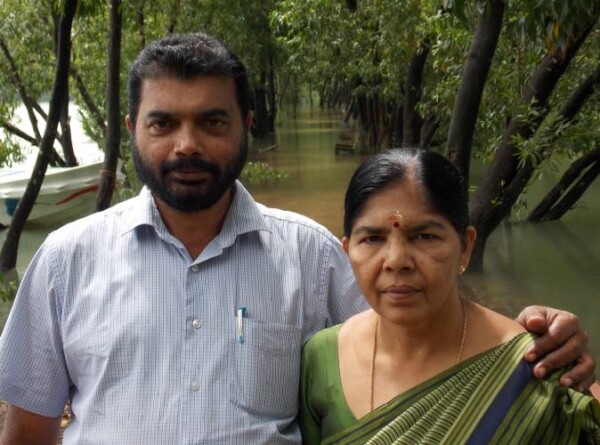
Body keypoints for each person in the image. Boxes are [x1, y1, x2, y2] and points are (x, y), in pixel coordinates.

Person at [0, 33, 594, 444]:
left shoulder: (311, 256)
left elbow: (418, 344)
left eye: (212, 121)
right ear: (132, 129)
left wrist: (529, 344)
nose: (187, 145)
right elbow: (27, 430)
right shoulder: (66, 260)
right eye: (163, 122)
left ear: (245, 127)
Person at [299, 149, 600, 444]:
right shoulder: (322, 357)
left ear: (466, 247)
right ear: (348, 252)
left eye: (425, 237)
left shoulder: (536, 365)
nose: (396, 261)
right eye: (372, 239)